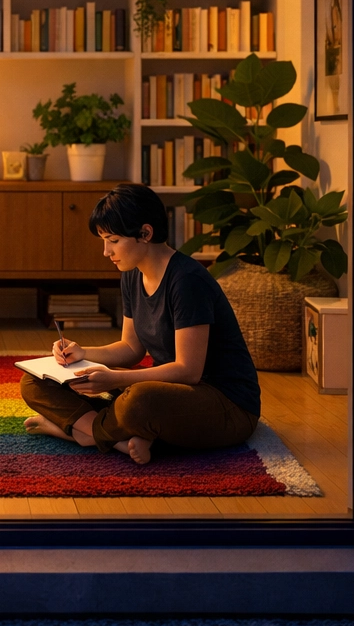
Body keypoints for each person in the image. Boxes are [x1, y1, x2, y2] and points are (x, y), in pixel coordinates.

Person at [21, 183, 260, 464]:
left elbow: (189, 371)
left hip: (225, 404)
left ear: (145, 233)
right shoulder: (132, 275)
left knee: (138, 400)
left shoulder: (187, 281)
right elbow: (130, 348)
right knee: (35, 381)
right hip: (171, 390)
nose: (106, 251)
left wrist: (116, 378)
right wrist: (82, 353)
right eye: (103, 240)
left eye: (113, 240)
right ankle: (112, 437)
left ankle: (83, 433)